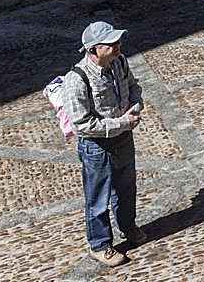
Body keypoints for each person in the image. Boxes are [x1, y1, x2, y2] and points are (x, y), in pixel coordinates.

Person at [63, 21, 146, 268]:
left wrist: (136, 103)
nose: (117, 46)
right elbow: (81, 125)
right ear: (93, 49)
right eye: (111, 44)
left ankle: (128, 226)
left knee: (126, 187)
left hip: (123, 138)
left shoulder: (119, 62)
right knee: (97, 198)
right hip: (97, 147)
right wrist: (121, 122)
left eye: (118, 41)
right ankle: (100, 245)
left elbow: (133, 86)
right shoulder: (76, 80)